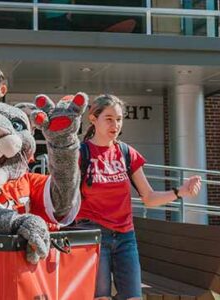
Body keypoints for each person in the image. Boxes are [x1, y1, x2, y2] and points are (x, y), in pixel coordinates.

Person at [74, 94, 202, 300]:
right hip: (94, 235)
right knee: (100, 297)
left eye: (118, 119)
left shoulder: (126, 153)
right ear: (93, 118)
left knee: (133, 297)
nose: (115, 124)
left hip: (126, 237)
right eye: (109, 118)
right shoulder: (82, 154)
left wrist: (181, 192)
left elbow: (149, 198)